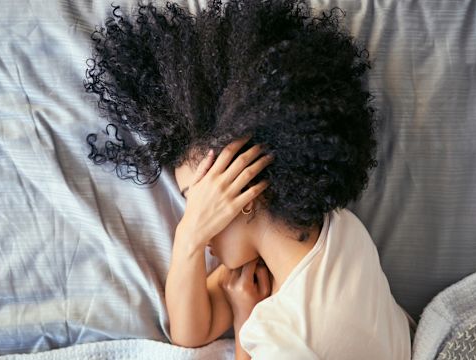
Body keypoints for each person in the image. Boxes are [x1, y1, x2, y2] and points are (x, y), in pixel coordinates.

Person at [83, 0, 416, 358]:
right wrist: (189, 242)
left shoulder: (280, 334)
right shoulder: (342, 233)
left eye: (194, 197)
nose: (191, 215)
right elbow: (191, 333)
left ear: (241, 193)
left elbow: (198, 338)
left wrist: (246, 324)